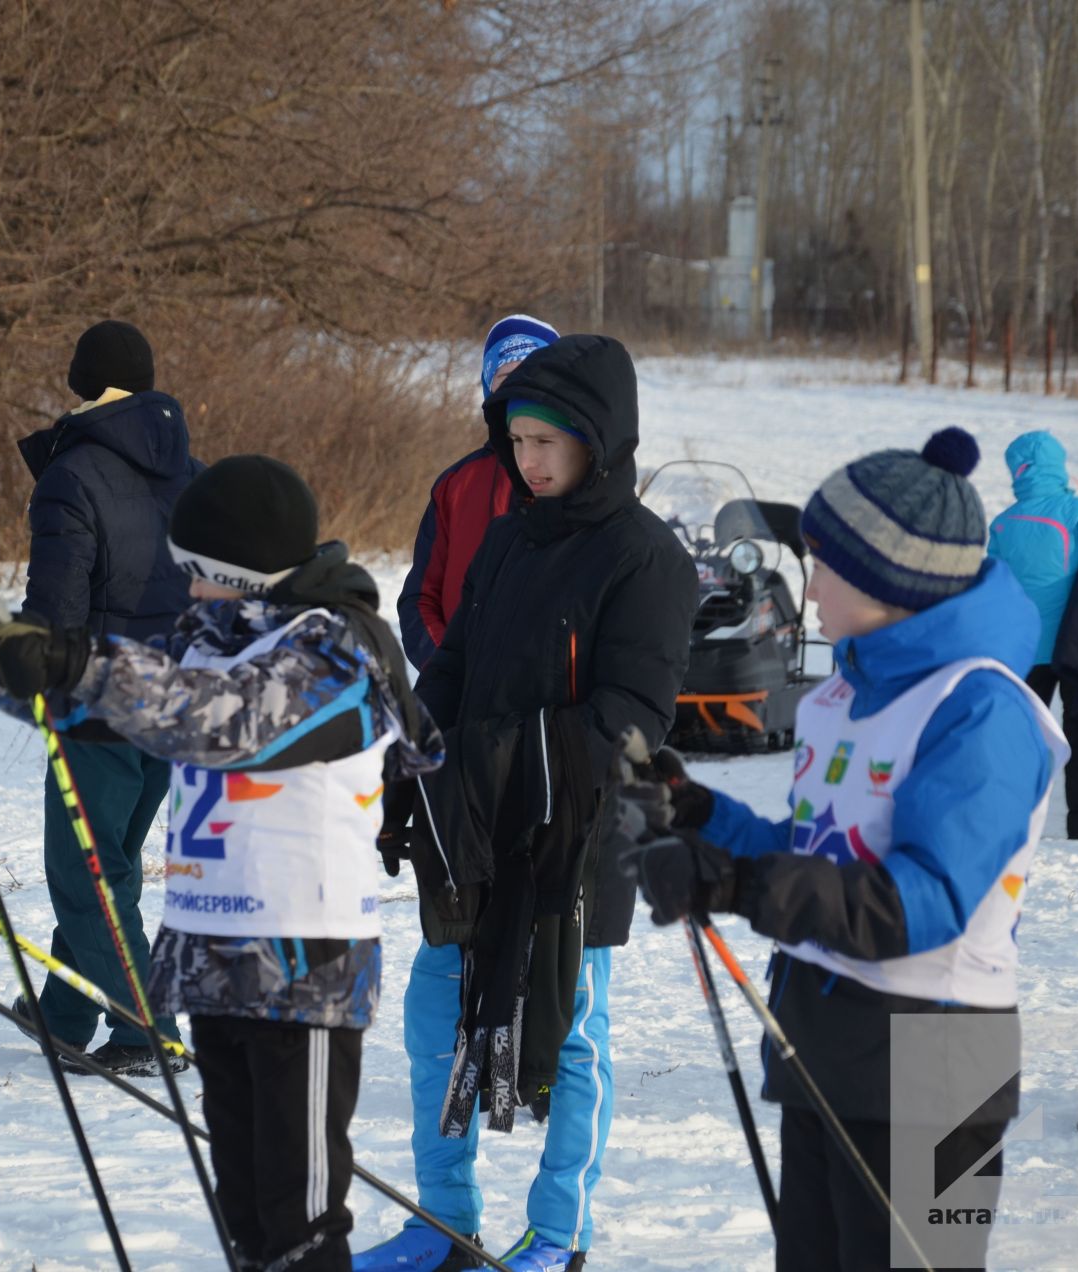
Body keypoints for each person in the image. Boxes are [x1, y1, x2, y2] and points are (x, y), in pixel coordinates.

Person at [0, 454, 441, 1272]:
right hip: (215, 966)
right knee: (248, 1219)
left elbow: (216, 721)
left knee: (301, 1223)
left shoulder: (337, 655)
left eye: (199, 574)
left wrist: (74, 664)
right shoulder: (210, 639)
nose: (186, 592)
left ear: (248, 576)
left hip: (304, 972)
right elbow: (104, 703)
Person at [623, 428, 1063, 1272]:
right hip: (825, 1033)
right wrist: (695, 814)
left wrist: (737, 883)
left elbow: (919, 904)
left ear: (893, 582)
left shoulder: (982, 712)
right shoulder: (842, 696)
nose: (808, 582)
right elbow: (816, 851)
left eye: (826, 564)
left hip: (941, 1061)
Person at [358, 334, 697, 1272]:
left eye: (550, 442)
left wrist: (511, 757)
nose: (529, 461)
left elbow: (635, 716)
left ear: (601, 439)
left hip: (576, 839)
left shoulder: (646, 558)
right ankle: (445, 1222)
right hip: (475, 827)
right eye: (517, 441)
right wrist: (418, 749)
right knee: (435, 1020)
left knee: (573, 1037)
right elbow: (457, 660)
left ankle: (559, 1233)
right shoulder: (510, 535)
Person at [11, 319, 199, 1074]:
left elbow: (54, 608)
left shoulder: (74, 472)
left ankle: (145, 1028)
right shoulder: (192, 468)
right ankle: (65, 1012)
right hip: (174, 699)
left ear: (82, 382)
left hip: (97, 704)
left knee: (86, 873)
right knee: (109, 864)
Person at [396, 314, 558, 669]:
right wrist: (448, 672)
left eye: (531, 375)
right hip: (464, 697)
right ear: (488, 386)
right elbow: (420, 599)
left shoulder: (580, 478)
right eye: (504, 377)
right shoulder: (456, 484)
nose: (518, 389)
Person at [986, 430, 1078, 839]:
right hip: (1076, 649)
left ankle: (1010, 822)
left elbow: (993, 585)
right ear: (1058, 466)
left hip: (1024, 650)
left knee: (1022, 740)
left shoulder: (1003, 524)